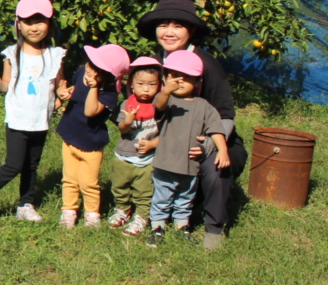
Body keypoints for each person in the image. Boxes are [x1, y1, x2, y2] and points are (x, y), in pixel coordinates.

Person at [137, 0, 248, 250]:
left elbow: (226, 115)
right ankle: (143, 213)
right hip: (166, 139)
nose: (169, 32)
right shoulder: (153, 63)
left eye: (177, 25)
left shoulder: (207, 64)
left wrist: (210, 144)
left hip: (211, 138)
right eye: (163, 25)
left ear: (192, 30)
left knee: (215, 168)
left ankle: (214, 229)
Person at [0, 0, 66, 224]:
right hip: (19, 118)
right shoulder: (13, 53)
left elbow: (59, 84)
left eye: (40, 21)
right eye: (28, 21)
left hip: (41, 119)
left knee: (31, 165)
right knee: (13, 165)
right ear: (18, 24)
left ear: (50, 24)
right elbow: (6, 84)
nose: (34, 27)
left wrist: (62, 96)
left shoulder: (56, 54)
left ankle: (25, 204)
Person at [145, 52, 232, 247]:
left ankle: (182, 226)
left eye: (187, 77)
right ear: (166, 78)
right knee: (162, 196)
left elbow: (216, 129)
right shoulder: (168, 100)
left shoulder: (204, 106)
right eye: (174, 76)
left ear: (198, 81)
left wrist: (223, 150)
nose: (180, 81)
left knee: (186, 198)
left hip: (191, 165)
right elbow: (157, 106)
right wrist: (166, 91)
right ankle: (157, 227)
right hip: (166, 162)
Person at [54, 44, 129, 229]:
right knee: (69, 179)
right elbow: (76, 92)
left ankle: (92, 214)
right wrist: (65, 92)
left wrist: (94, 88)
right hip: (70, 135)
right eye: (90, 61)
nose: (88, 67)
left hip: (90, 143)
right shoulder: (81, 72)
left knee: (89, 183)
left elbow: (90, 110)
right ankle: (69, 211)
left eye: (96, 67)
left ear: (107, 76)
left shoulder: (109, 93)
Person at [108, 57, 162, 237]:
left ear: (159, 85)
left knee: (144, 191)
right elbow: (122, 129)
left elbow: (167, 133)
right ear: (131, 84)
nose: (146, 89)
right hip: (123, 156)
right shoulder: (126, 104)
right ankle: (122, 210)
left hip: (147, 161)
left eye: (152, 84)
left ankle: (141, 217)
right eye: (141, 84)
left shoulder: (159, 107)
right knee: (120, 187)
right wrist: (128, 122)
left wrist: (153, 144)